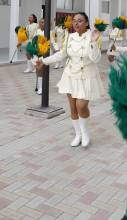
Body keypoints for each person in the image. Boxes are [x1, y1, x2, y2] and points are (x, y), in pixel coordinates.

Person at [36, 12, 104, 148]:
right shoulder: (70, 36)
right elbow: (62, 54)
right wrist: (43, 61)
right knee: (73, 108)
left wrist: (93, 43)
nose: (76, 23)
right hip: (70, 76)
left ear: (86, 23)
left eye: (80, 20)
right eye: (74, 21)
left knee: (81, 106)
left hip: (86, 76)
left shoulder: (94, 36)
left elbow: (96, 59)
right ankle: (78, 134)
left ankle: (85, 133)